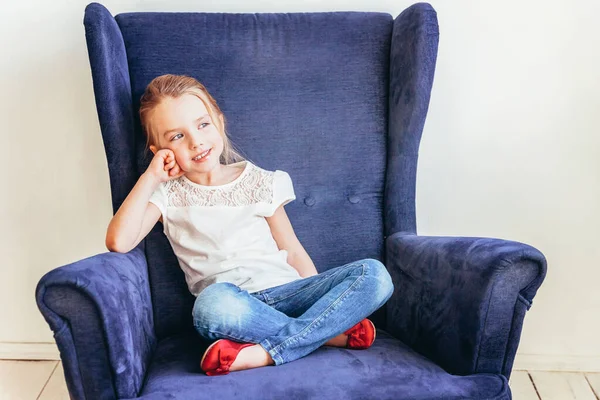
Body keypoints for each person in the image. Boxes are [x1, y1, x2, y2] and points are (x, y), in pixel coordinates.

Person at [105, 74, 394, 376]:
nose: (196, 141)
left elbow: (292, 250)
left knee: (375, 275)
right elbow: (119, 242)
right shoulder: (167, 195)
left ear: (219, 120)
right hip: (235, 307)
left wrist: (317, 299)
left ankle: (265, 353)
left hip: (291, 292)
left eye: (203, 124)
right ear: (159, 151)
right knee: (209, 307)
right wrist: (151, 176)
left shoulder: (259, 181)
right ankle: (326, 335)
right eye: (176, 137)